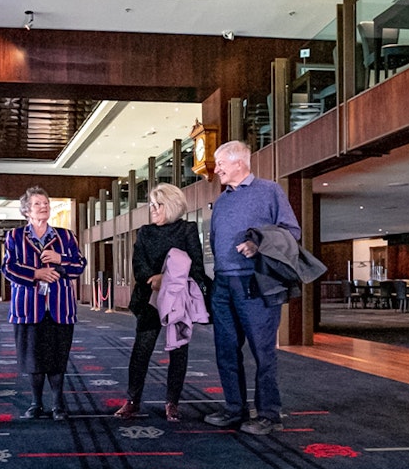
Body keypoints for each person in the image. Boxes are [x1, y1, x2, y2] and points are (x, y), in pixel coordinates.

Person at [205, 140, 301, 435]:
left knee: (262, 351)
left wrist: (256, 244)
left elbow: (291, 231)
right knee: (226, 350)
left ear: (239, 163)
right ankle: (235, 409)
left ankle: (269, 415)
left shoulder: (269, 190)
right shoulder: (222, 200)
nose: (216, 168)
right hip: (223, 282)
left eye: (220, 163)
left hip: (254, 282)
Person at [115, 183, 209, 422]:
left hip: (178, 300)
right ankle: (133, 400)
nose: (153, 210)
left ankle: (172, 403)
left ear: (172, 206)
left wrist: (166, 279)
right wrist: (152, 279)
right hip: (149, 299)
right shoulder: (145, 232)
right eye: (152, 205)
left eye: (157, 205)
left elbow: (196, 267)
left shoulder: (187, 230)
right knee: (141, 351)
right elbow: (138, 265)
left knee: (178, 351)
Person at [2, 187, 86, 421]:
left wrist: (61, 260)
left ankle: (58, 404)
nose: (44, 206)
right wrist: (36, 274)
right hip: (28, 307)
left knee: (58, 357)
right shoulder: (15, 237)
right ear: (27, 210)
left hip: (60, 307)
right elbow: (8, 268)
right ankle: (36, 403)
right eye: (38, 203)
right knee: (33, 358)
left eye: (46, 202)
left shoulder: (66, 236)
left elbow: (79, 266)